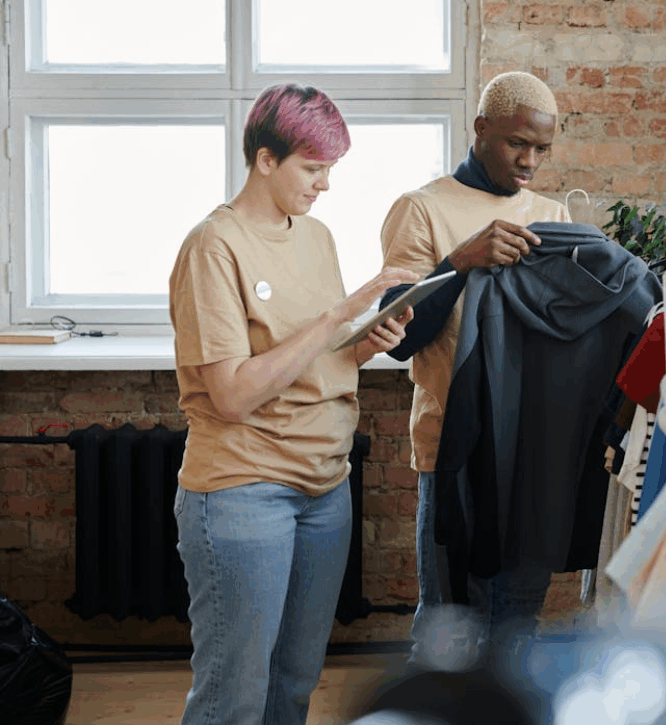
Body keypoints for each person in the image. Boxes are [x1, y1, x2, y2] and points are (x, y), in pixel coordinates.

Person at [168, 83, 418, 724]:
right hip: (242, 489)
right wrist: (341, 311)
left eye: (330, 170)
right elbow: (231, 394)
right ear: (266, 160)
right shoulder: (213, 247)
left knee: (295, 682)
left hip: (324, 489)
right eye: (313, 169)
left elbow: (315, 361)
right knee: (234, 693)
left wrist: (364, 341)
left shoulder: (316, 237)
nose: (324, 185)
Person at [378, 71, 571, 663]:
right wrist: (461, 261)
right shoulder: (422, 209)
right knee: (450, 635)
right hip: (453, 455)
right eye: (518, 144)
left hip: (531, 457)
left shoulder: (553, 214)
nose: (530, 161)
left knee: (516, 630)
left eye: (541, 149)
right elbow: (397, 338)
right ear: (481, 128)